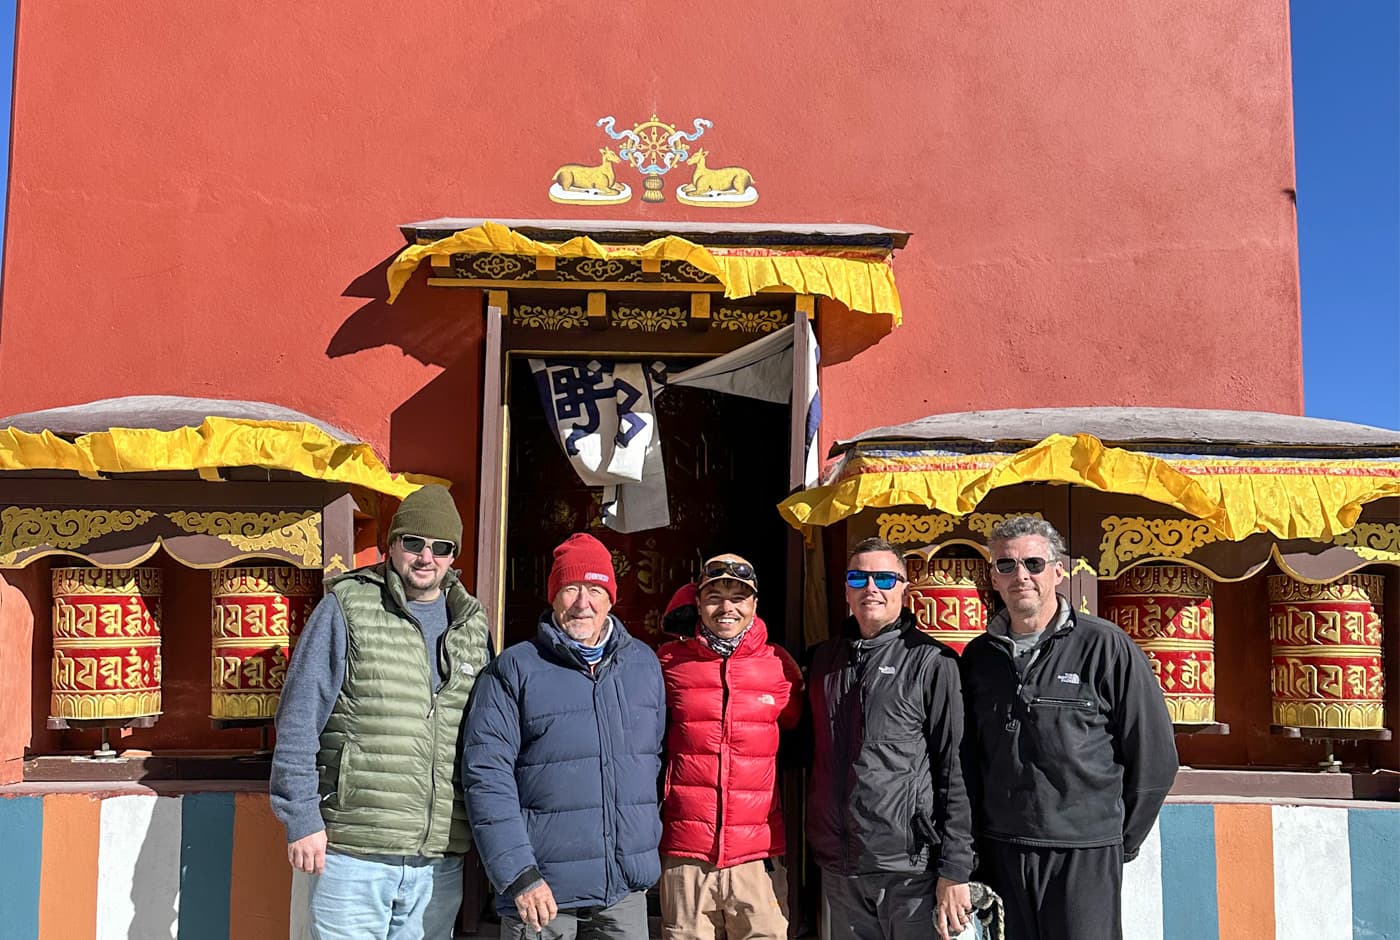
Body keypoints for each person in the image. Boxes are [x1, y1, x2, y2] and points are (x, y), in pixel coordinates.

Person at [270, 483, 492, 939]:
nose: (426, 557)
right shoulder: (347, 607)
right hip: (354, 853)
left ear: (454, 556)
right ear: (392, 545)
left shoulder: (473, 625)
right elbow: (298, 716)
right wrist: (303, 818)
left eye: (441, 547)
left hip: (437, 859)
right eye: (414, 543)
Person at [960, 516, 1178, 940]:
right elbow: (968, 761)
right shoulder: (979, 658)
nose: (1021, 576)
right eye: (1006, 566)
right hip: (1002, 848)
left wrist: (1116, 841)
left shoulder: (1105, 646)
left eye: (1034, 564)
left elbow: (1154, 758)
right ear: (993, 577)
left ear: (1058, 572)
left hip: (1084, 853)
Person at [463, 533, 665, 940]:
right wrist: (518, 873)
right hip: (541, 894)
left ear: (611, 597)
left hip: (622, 893)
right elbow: (486, 776)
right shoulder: (514, 670)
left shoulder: (643, 664)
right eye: (571, 588)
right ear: (553, 596)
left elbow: (653, 760)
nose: (582, 603)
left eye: (594, 589)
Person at [807, 537, 975, 940]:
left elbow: (956, 768)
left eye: (884, 578)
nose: (871, 588)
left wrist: (955, 869)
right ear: (845, 590)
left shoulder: (931, 662)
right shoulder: (823, 661)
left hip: (909, 868)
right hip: (841, 865)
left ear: (904, 587)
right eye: (858, 577)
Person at [656, 554, 804, 940]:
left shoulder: (778, 666)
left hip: (757, 855)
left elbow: (801, 737)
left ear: (754, 605)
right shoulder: (668, 663)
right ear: (697, 602)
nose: (727, 608)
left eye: (739, 597)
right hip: (686, 853)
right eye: (715, 596)